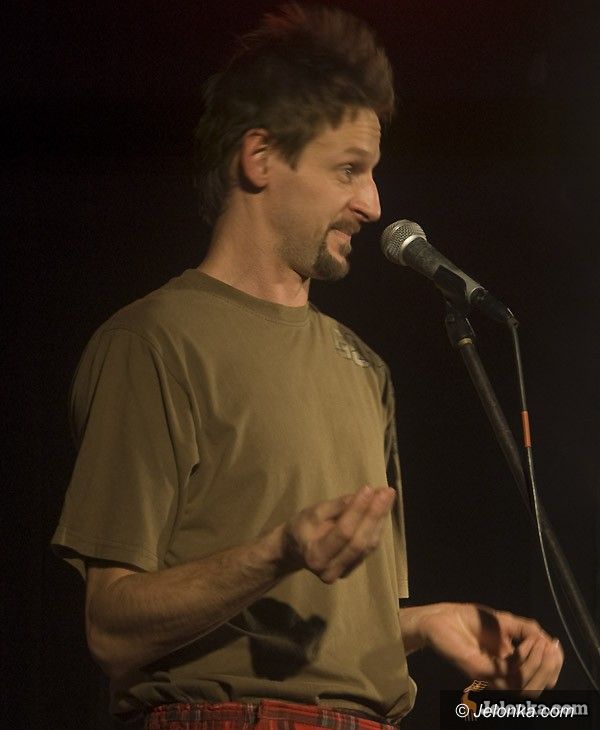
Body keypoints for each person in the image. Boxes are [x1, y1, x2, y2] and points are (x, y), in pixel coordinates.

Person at [52, 3, 563, 728]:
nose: (373, 204)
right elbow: (111, 627)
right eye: (349, 169)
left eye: (373, 172)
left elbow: (327, 633)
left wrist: (427, 623)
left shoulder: (364, 370)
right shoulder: (153, 342)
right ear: (260, 158)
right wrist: (278, 551)